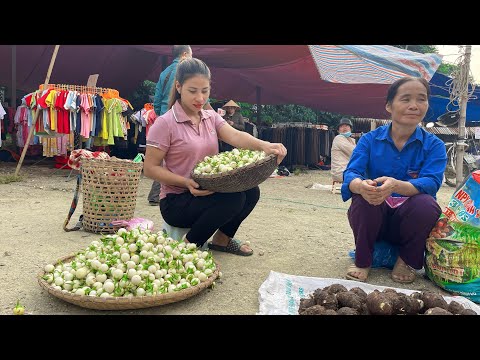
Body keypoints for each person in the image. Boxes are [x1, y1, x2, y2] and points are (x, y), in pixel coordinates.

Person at [144, 58, 287, 255]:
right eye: (193, 91)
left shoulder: (209, 117)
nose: (200, 98)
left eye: (205, 91)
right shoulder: (165, 123)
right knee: (233, 200)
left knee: (251, 192)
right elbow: (150, 168)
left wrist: (266, 146)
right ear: (178, 87)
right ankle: (188, 248)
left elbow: (236, 135)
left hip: (208, 189)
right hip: (177, 200)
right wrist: (186, 183)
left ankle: (222, 240)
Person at [342, 76, 447, 284]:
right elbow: (351, 173)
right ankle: (363, 261)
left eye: (421, 99)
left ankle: (406, 260)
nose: (414, 106)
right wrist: (361, 186)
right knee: (363, 199)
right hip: (375, 219)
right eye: (406, 99)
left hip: (409, 223)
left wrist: (397, 186)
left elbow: (431, 182)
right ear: (389, 106)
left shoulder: (434, 145)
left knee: (427, 204)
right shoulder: (369, 140)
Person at [148, 45, 212, 205]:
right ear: (185, 54)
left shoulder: (165, 73)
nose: (199, 96)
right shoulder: (192, 73)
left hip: (165, 115)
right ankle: (180, 190)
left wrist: (162, 113)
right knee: (179, 159)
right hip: (177, 118)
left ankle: (156, 195)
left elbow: (156, 100)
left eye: (205, 91)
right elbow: (203, 102)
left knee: (167, 160)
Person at [330, 117, 356, 183]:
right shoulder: (339, 138)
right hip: (341, 171)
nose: (344, 128)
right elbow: (355, 153)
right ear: (338, 131)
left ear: (350, 129)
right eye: (342, 126)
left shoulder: (351, 140)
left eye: (347, 126)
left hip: (347, 170)